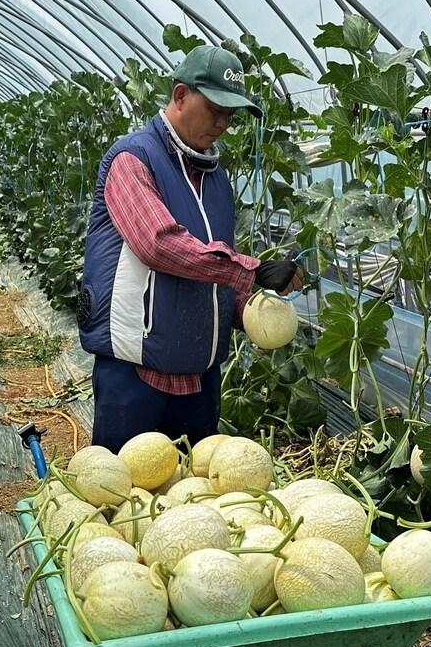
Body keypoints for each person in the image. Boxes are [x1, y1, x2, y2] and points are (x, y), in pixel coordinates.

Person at [77, 44, 303, 452]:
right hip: (135, 377)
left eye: (231, 115)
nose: (223, 123)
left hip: (200, 379)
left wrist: (251, 308)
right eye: (216, 108)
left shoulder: (217, 182)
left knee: (195, 503)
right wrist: (251, 271)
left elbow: (215, 273)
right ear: (180, 95)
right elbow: (157, 245)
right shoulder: (132, 159)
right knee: (124, 501)